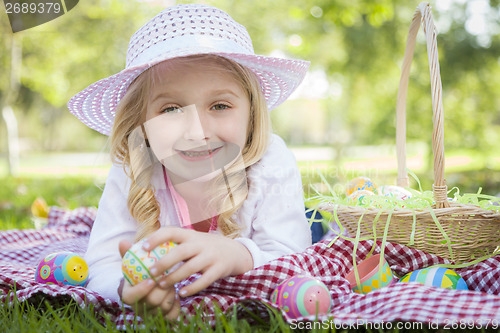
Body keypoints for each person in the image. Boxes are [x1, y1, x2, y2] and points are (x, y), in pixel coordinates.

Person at [67, 3, 311, 319]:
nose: (197, 132)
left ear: (251, 113)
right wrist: (129, 290)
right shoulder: (135, 167)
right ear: (140, 123)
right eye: (170, 110)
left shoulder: (269, 162)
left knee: (316, 226)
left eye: (220, 106)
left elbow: (294, 258)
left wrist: (239, 255)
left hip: (281, 224)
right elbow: (102, 262)